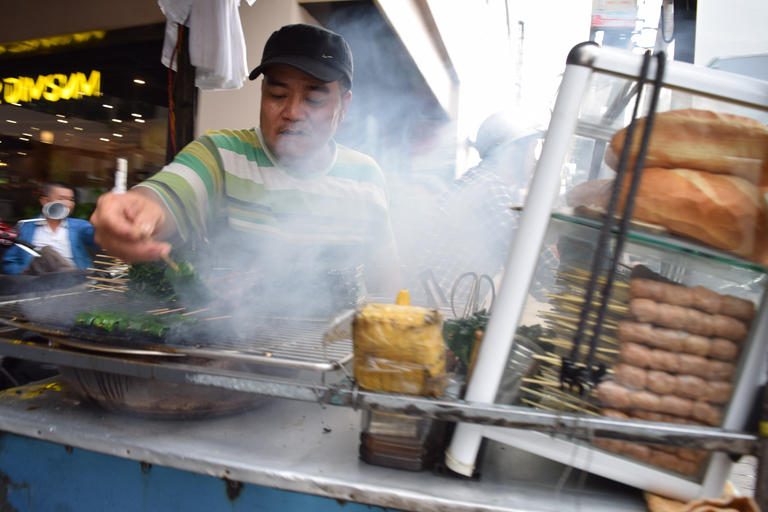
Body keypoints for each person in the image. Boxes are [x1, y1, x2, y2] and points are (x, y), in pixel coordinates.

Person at [89, 24, 401, 295]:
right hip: (237, 351)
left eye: (314, 98)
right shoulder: (222, 154)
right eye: (278, 95)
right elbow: (167, 194)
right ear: (263, 91)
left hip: (339, 353)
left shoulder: (366, 177)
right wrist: (138, 211)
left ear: (343, 105)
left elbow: (384, 278)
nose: (292, 112)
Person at [413, 110, 557, 307]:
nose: (535, 160)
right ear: (514, 149)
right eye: (532, 150)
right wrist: (565, 279)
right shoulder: (490, 186)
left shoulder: (479, 179)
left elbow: (512, 258)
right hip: (438, 309)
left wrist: (551, 295)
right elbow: (524, 248)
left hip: (435, 305)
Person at [2, 182, 97, 275]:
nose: (68, 204)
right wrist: (22, 272)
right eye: (61, 198)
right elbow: (10, 261)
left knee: (47, 252)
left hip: (75, 283)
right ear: (44, 201)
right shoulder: (25, 227)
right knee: (46, 252)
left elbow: (98, 238)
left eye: (71, 200)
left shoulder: (80, 226)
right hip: (37, 284)